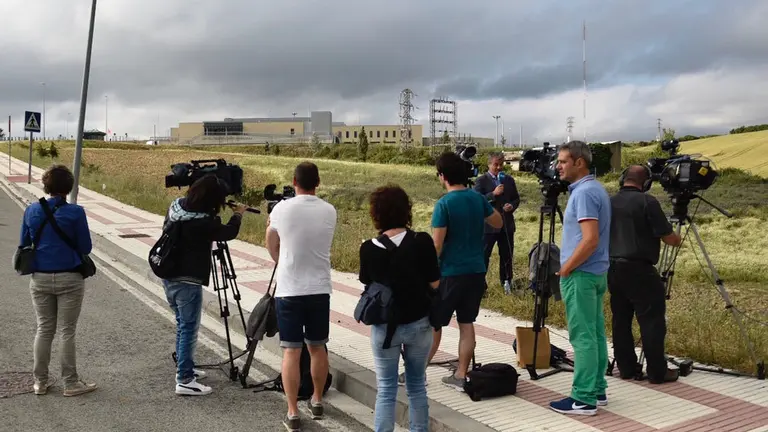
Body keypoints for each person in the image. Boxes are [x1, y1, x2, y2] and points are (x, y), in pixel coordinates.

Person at [359, 185, 440, 432]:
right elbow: (435, 283)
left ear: (377, 214)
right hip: (419, 324)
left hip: (384, 326)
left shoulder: (368, 248)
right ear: (407, 210)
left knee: (386, 389)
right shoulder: (422, 241)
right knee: (416, 387)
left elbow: (366, 281)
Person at [265, 162, 337, 432]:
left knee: (291, 351)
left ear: (294, 181)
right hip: (319, 288)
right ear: (317, 182)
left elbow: (270, 241)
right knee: (317, 347)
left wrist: (280, 260)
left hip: (289, 289)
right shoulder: (329, 210)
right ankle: (317, 400)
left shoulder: (280, 209)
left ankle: (293, 411)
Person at [159, 174, 246, 396]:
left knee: (182, 324)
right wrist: (238, 214)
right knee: (189, 328)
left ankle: (184, 367)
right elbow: (228, 233)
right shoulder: (205, 222)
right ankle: (185, 380)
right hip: (188, 280)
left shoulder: (176, 206)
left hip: (168, 274)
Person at [427, 152, 503, 390]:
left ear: (443, 176)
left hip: (450, 272)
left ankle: (415, 373)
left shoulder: (444, 204)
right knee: (466, 323)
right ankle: (461, 374)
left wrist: (427, 273)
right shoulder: (477, 198)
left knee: (434, 324)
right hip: (476, 270)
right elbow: (498, 222)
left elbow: (437, 245)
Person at [20, 164, 97, 397]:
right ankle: (70, 383)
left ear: (46, 186)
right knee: (67, 331)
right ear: (69, 187)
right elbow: (85, 247)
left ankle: (39, 382)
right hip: (69, 277)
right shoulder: (76, 212)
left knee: (44, 329)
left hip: (40, 278)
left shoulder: (31, 211)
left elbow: (24, 244)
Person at [549, 141, 611, 416]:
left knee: (582, 336)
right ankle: (597, 388)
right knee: (595, 333)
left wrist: (567, 268)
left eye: (563, 161)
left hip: (581, 275)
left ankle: (583, 398)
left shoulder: (584, 193)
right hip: (595, 273)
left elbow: (590, 239)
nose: (558, 167)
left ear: (579, 162)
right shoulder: (595, 188)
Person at [609, 165, 682, 384]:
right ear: (646, 183)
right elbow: (668, 238)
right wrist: (678, 237)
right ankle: (657, 372)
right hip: (640, 269)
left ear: (623, 179)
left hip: (612, 268)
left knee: (620, 321)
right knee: (652, 322)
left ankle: (626, 368)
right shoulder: (648, 202)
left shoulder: (609, 201)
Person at [473, 152, 521, 294]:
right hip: (488, 226)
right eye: (496, 164)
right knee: (483, 256)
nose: (499, 167)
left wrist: (512, 206)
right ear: (489, 164)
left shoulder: (509, 180)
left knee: (507, 255)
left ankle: (507, 283)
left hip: (506, 225)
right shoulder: (481, 181)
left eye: (501, 164)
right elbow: (476, 201)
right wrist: (493, 194)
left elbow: (516, 198)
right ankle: (480, 286)